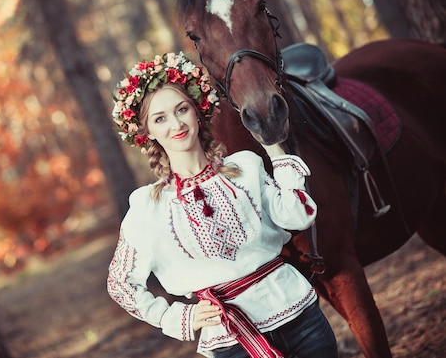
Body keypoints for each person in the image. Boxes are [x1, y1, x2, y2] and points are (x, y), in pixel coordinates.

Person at [107, 51, 338, 358]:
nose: (176, 123)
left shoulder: (246, 167)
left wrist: (274, 149)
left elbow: (298, 216)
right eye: (160, 118)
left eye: (181, 109)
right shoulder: (148, 208)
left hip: (300, 318)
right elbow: (120, 283)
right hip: (232, 341)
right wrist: (173, 316)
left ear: (197, 111)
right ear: (146, 131)